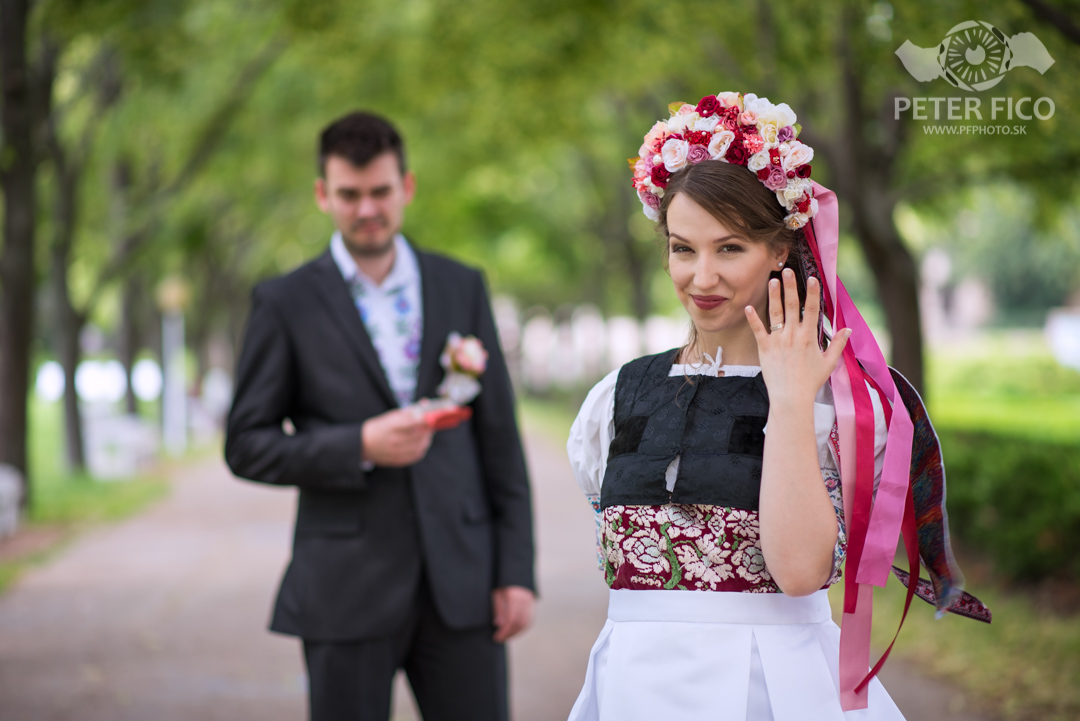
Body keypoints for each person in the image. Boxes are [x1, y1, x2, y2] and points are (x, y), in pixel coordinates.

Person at [565, 91, 985, 720]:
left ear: (780, 250)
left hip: (769, 688)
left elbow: (798, 573)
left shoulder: (833, 405)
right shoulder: (615, 397)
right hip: (632, 683)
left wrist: (787, 399)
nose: (701, 277)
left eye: (729, 248)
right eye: (684, 248)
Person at [225, 111, 536, 721]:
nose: (366, 208)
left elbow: (500, 440)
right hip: (344, 586)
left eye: (379, 192)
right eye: (348, 194)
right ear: (323, 195)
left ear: (406, 188)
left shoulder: (461, 285)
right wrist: (358, 444)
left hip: (463, 582)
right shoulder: (283, 302)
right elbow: (246, 445)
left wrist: (515, 572)